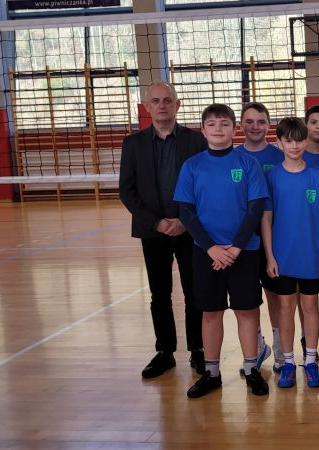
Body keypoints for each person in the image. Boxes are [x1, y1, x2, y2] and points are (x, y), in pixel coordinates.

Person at [175, 103, 271, 398]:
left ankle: (251, 368)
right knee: (210, 312)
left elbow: (256, 208)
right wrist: (212, 248)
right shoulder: (192, 166)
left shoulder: (248, 164)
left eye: (224, 123)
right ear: (203, 131)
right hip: (207, 253)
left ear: (234, 129)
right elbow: (186, 212)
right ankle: (212, 372)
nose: (218, 128)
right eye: (212, 124)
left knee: (247, 311)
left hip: (244, 251)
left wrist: (236, 247)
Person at [118, 81, 206, 379]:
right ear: (146, 106)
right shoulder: (133, 144)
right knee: (160, 293)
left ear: (177, 104)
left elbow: (204, 187)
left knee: (194, 292)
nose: (162, 105)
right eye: (155, 101)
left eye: (167, 100)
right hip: (153, 230)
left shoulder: (196, 141)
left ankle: (198, 349)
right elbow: (127, 191)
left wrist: (184, 220)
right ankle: (165, 351)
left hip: (189, 229)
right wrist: (156, 222)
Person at [262, 117, 319, 388]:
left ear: (306, 141)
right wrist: (270, 256)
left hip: (311, 255)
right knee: (285, 308)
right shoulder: (272, 176)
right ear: (279, 142)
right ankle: (288, 363)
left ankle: (311, 361)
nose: (294, 145)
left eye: (299, 140)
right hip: (282, 257)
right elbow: (266, 218)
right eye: (288, 140)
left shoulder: (317, 175)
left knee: (311, 306)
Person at [236, 102, 284, 371]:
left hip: (273, 236)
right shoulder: (233, 157)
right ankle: (256, 346)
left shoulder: (279, 156)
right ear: (240, 125)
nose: (255, 127)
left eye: (261, 121)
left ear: (269, 125)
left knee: (274, 294)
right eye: (250, 121)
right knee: (247, 296)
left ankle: (279, 347)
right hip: (242, 238)